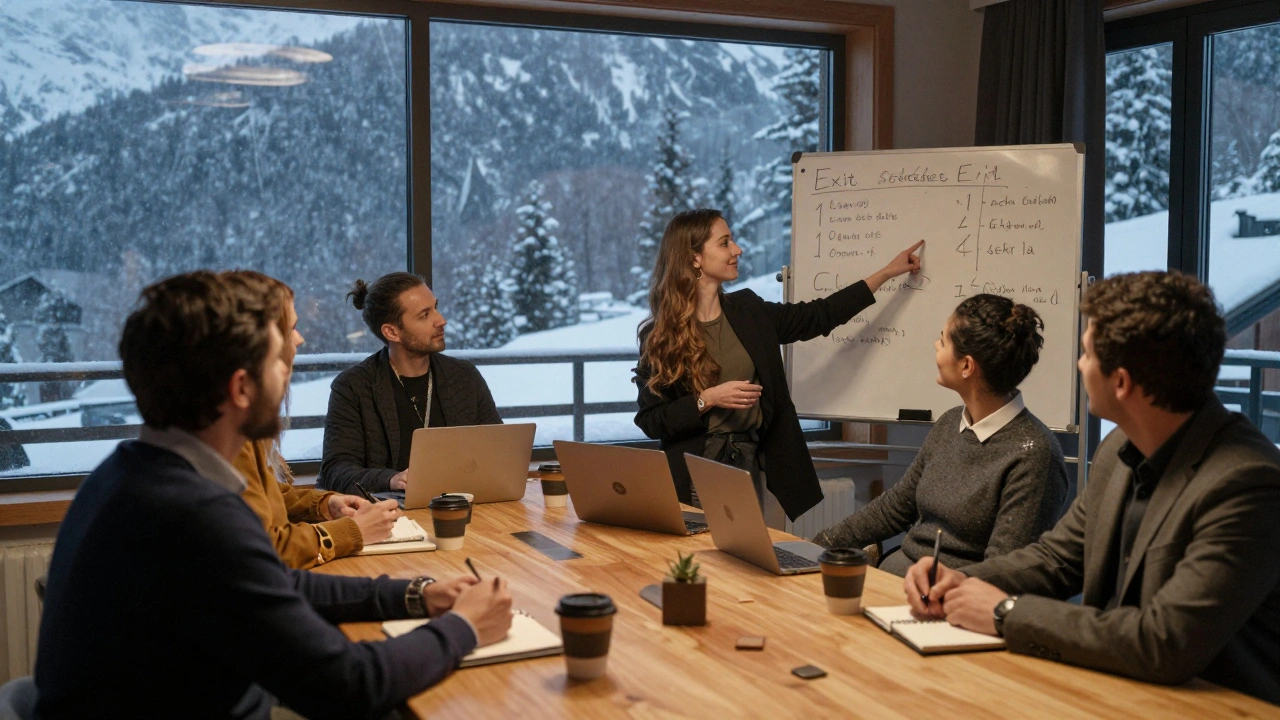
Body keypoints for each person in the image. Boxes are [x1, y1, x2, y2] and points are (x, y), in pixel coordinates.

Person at [34, 271, 513, 719]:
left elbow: (279, 583)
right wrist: (465, 627)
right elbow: (349, 684)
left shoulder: (130, 472)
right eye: (278, 360)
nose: (294, 356)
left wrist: (417, 594)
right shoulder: (194, 517)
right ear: (242, 388)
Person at [904, 271, 1280, 705]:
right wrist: (961, 581)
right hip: (1117, 687)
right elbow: (1059, 559)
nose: (1080, 366)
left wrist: (1006, 612)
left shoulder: (1247, 482)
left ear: (1121, 383)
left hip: (1209, 705)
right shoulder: (1120, 446)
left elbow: (1164, 641)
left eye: (1086, 354)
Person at [634, 208, 923, 521]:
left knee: (749, 552)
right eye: (725, 243)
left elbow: (820, 315)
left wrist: (886, 273)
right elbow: (651, 420)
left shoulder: (749, 311)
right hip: (695, 471)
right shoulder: (660, 335)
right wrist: (707, 400)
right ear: (695, 259)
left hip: (751, 466)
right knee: (705, 552)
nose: (737, 250)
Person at [813, 294, 1068, 575]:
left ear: (967, 366)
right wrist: (819, 546)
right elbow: (896, 507)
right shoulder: (950, 423)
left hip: (945, 596)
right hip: (895, 578)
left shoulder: (1035, 454)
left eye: (943, 341)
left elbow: (1002, 573)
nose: (936, 345)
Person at [223, 270, 400, 569]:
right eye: (290, 328)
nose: (300, 339)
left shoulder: (235, 426)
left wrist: (323, 503)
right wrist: (351, 532)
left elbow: (262, 495)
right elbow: (266, 550)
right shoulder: (226, 433)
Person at [319, 272, 502, 494]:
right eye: (425, 315)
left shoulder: (464, 375)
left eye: (435, 307)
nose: (441, 320)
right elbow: (335, 471)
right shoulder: (353, 387)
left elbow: (498, 449)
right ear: (392, 332)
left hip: (461, 501)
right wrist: (391, 479)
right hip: (390, 509)